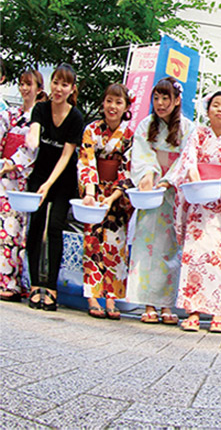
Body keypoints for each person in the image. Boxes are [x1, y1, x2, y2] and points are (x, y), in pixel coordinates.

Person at [169, 91, 221, 333]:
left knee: (217, 260)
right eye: (215, 105)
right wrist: (194, 175)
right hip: (197, 206)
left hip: (218, 209)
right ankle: (192, 312)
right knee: (193, 256)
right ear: (208, 111)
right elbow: (187, 161)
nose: (219, 110)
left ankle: (217, 313)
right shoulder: (198, 135)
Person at [128, 78, 192, 324]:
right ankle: (148, 303)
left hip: (173, 194)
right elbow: (142, 156)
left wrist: (169, 180)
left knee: (170, 249)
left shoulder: (188, 128)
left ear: (177, 101)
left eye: (166, 98)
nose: (161, 103)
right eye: (157, 98)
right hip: (152, 191)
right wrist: (149, 175)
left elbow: (186, 159)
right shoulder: (146, 125)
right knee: (147, 247)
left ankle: (167, 305)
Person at [22, 65, 85, 312]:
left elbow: (67, 155)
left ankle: (51, 289)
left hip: (62, 180)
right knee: (35, 227)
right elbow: (35, 130)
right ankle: (35, 286)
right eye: (56, 82)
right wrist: (33, 136)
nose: (59, 89)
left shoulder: (76, 117)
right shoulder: (40, 108)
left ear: (72, 89)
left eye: (64, 84)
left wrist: (49, 184)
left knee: (56, 228)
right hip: (38, 175)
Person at [77, 83, 136, 320]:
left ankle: (111, 297)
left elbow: (129, 168)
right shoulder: (91, 130)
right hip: (95, 191)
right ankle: (92, 295)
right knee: (92, 242)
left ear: (126, 107)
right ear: (103, 103)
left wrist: (113, 196)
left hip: (117, 196)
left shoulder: (130, 135)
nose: (113, 107)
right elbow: (87, 162)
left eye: (118, 102)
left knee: (115, 245)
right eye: (109, 101)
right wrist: (90, 193)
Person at [0, 69, 44, 302]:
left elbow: (31, 149)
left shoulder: (39, 117)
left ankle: (13, 281)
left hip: (20, 180)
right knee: (2, 229)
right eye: (22, 83)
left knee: (15, 232)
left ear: (39, 88)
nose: (25, 88)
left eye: (29, 84)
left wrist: (11, 164)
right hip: (2, 176)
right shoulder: (10, 114)